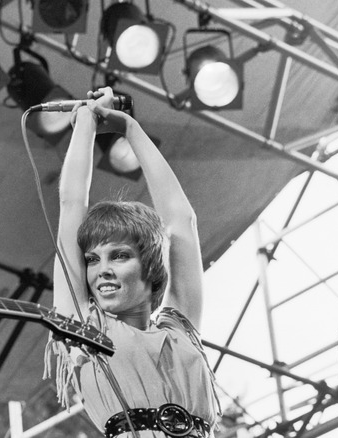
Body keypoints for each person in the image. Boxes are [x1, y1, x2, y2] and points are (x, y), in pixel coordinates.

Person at [44, 87, 222, 437]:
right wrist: (86, 122)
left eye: (120, 255)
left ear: (151, 265)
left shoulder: (180, 330)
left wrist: (129, 127)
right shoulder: (86, 328)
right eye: (92, 260)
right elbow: (71, 203)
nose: (102, 270)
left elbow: (182, 221)